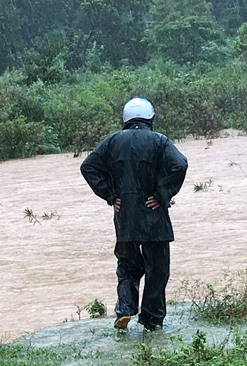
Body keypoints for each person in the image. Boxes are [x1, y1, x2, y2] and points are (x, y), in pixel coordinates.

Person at [80, 97, 188, 331]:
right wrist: (162, 194)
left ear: (126, 119)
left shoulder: (112, 141)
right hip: (154, 217)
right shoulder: (159, 141)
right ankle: (151, 319)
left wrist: (111, 195)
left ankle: (126, 309)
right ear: (150, 118)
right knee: (157, 270)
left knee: (128, 265)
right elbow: (179, 165)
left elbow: (88, 167)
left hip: (125, 216)